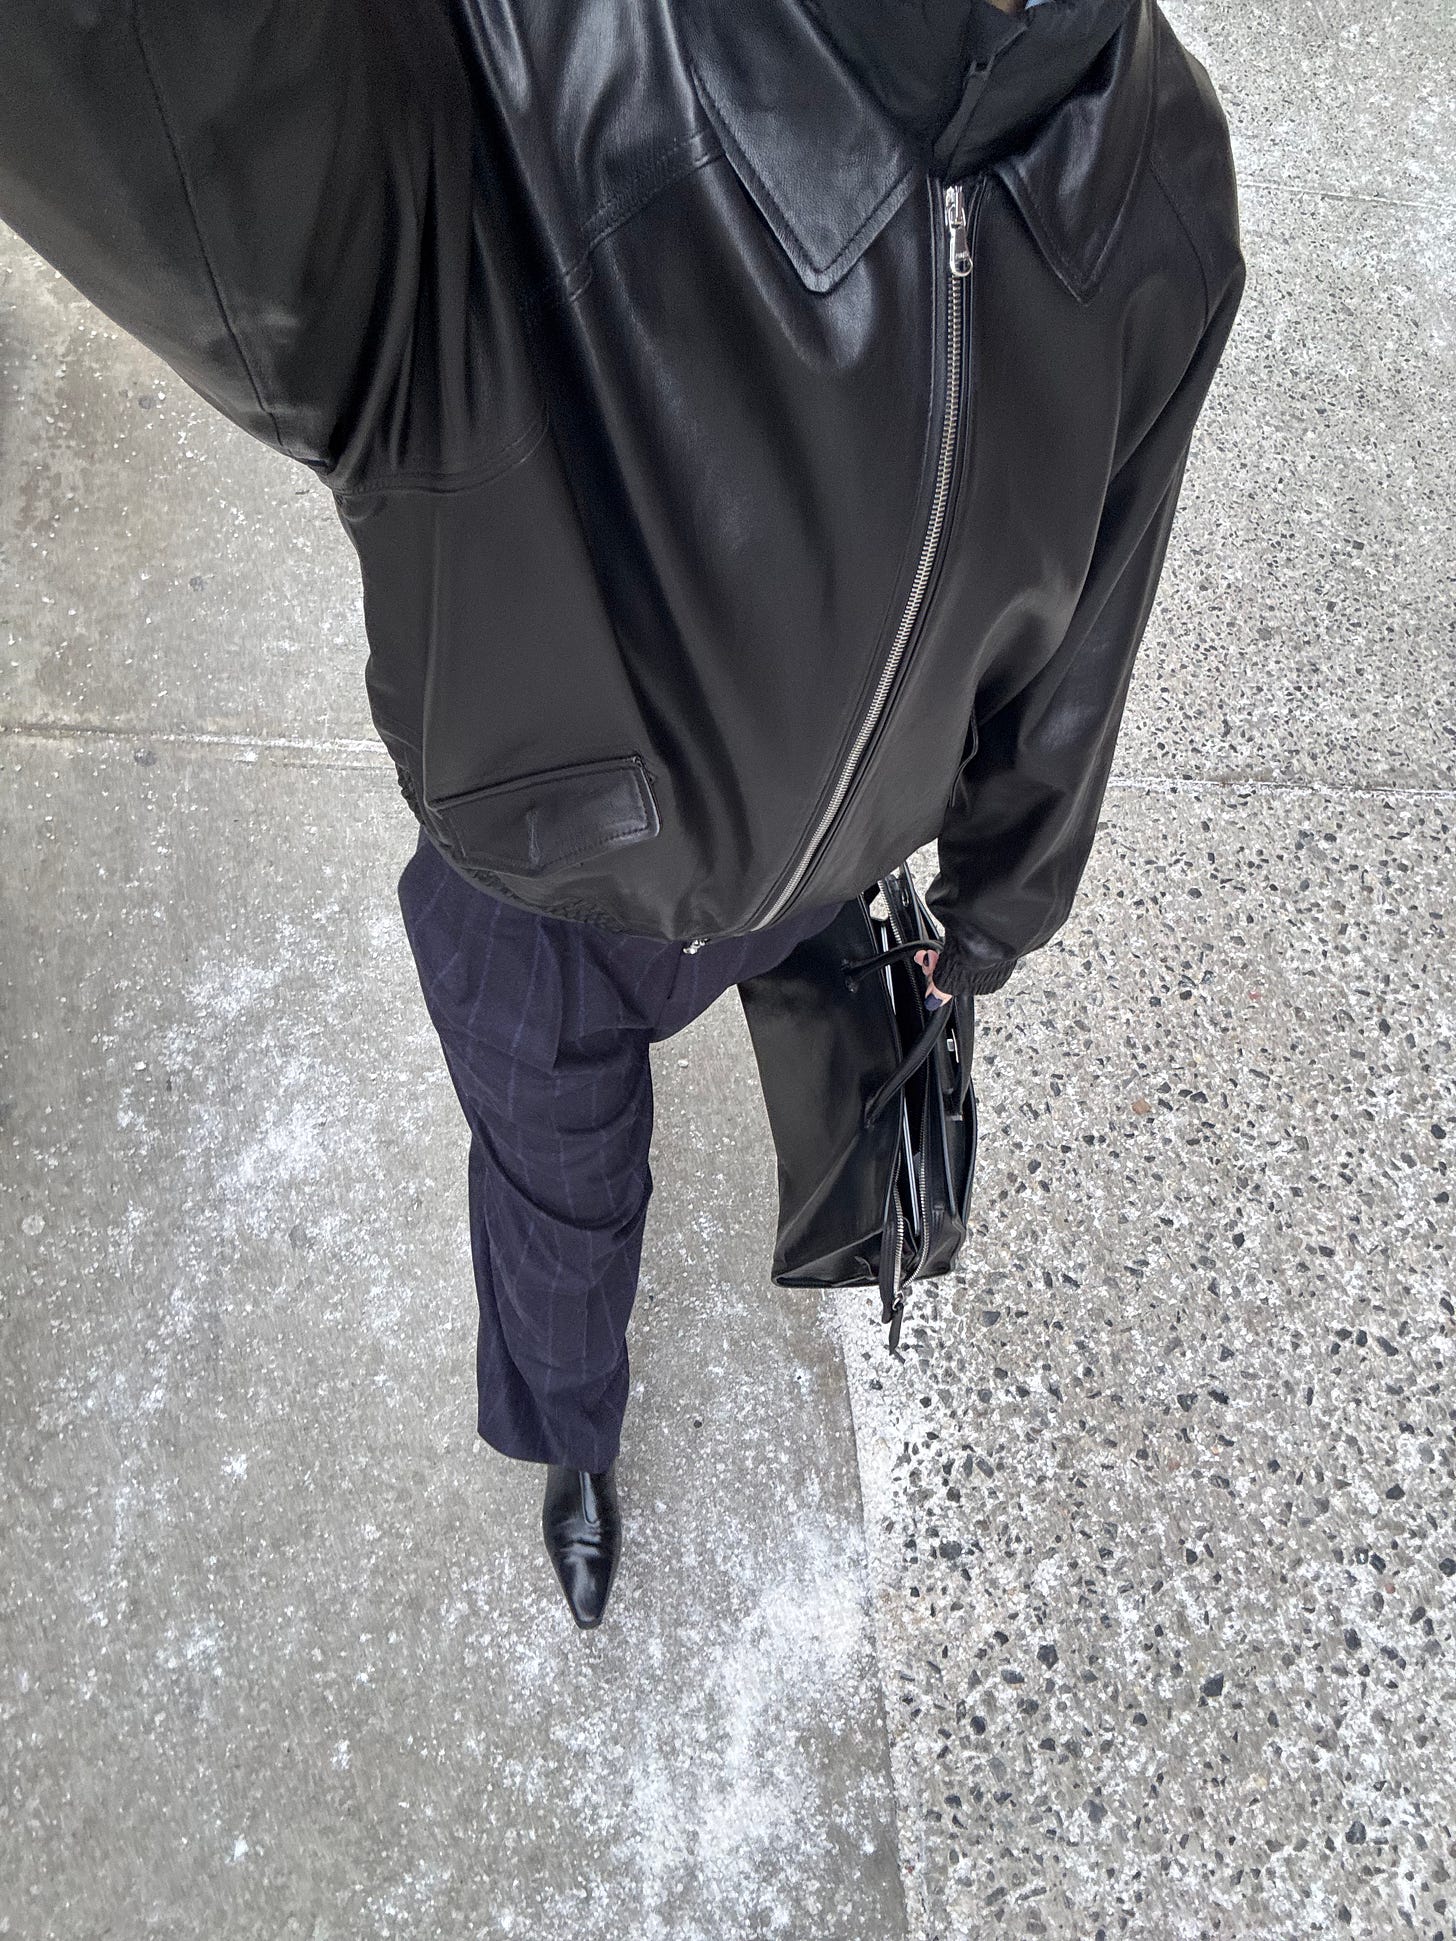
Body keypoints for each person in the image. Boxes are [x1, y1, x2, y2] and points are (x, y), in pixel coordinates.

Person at [0, 0, 1243, 1627]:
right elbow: (163, 95)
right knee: (561, 1207)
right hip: (557, 892)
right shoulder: (520, 60)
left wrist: (1000, 908)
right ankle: (571, 1435)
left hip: (846, 852)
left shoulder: (1162, 166)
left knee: (800, 1043)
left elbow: (1095, 615)